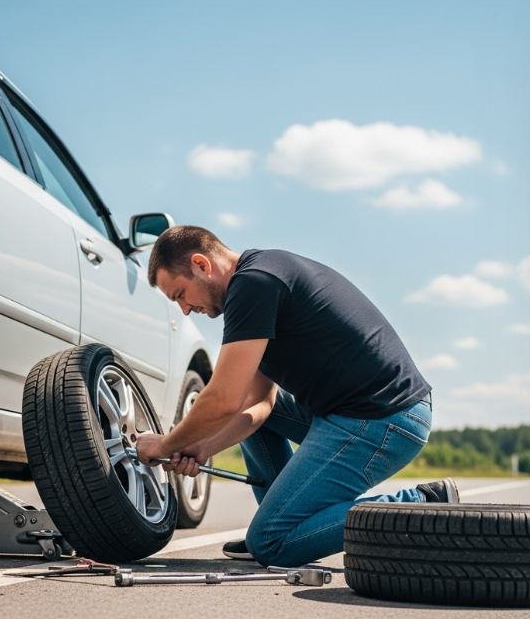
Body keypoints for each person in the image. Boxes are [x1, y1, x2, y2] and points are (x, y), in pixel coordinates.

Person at [135, 225, 458, 568]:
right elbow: (258, 405)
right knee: (263, 436)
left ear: (201, 264)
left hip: (385, 419)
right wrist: (203, 448)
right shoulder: (259, 278)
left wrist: (164, 445)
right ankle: (289, 519)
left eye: (180, 294)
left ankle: (420, 502)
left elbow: (222, 400)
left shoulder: (253, 285)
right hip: (358, 413)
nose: (185, 309)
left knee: (271, 543)